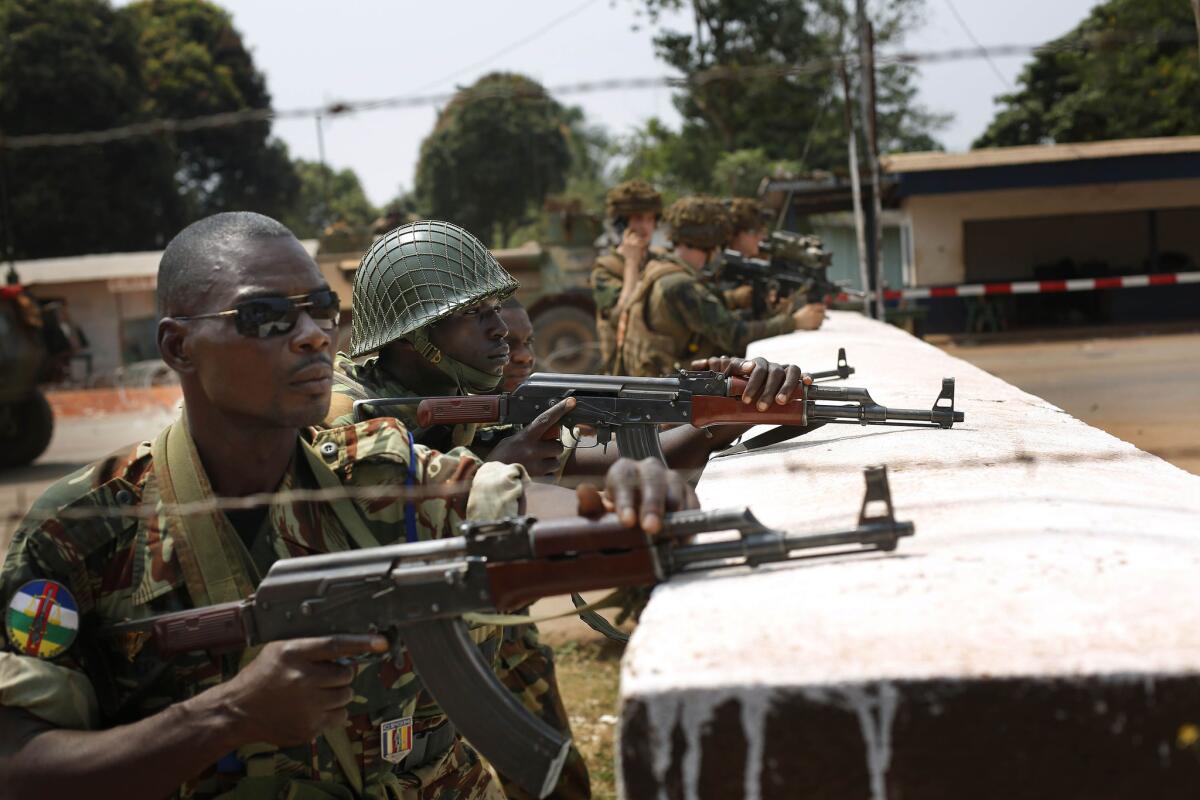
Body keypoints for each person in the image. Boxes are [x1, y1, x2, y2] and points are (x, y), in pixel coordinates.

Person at [0, 212, 694, 800]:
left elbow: (507, 501)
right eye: (265, 316)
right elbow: (17, 762)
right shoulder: (81, 533)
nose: (310, 335)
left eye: (320, 310)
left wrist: (633, 498)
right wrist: (229, 715)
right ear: (178, 345)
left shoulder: (385, 472)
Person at [617, 196, 821, 379]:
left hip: (649, 382)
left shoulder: (659, 268)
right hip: (669, 394)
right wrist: (794, 321)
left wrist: (735, 298)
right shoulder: (681, 285)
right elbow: (734, 335)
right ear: (712, 243)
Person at [590, 180, 661, 373]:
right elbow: (620, 315)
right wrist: (631, 263)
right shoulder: (605, 268)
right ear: (622, 223)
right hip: (622, 371)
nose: (645, 226)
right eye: (638, 218)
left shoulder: (660, 260)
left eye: (650, 219)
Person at [725, 198, 825, 328]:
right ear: (736, 233)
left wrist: (776, 312)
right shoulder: (718, 268)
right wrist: (792, 323)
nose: (761, 237)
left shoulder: (748, 264)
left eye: (762, 231)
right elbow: (733, 332)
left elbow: (754, 321)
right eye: (755, 232)